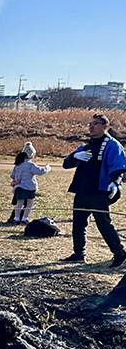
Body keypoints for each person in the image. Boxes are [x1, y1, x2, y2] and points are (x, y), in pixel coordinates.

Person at [61, 114, 126, 267]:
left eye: (95, 123)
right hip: (82, 190)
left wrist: (115, 184)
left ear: (105, 126)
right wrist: (75, 155)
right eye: (90, 123)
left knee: (104, 224)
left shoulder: (112, 145)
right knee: (78, 224)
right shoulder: (86, 146)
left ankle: (120, 253)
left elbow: (119, 168)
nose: (91, 126)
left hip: (99, 192)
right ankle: (78, 253)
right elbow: (66, 163)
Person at [8, 142, 51, 225]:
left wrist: (17, 179)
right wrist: (47, 168)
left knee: (19, 204)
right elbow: (40, 172)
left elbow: (12, 175)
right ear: (31, 155)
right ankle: (24, 218)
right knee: (29, 204)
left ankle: (16, 219)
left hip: (19, 187)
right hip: (29, 187)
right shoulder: (31, 165)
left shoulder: (17, 165)